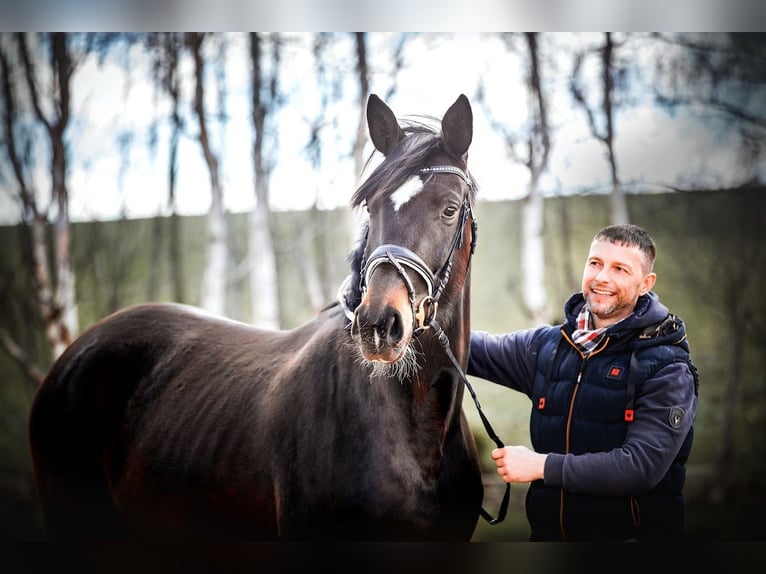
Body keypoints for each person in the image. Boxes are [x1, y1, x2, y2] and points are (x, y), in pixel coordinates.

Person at [468, 223, 699, 541]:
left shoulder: (667, 368)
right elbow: (470, 349)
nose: (602, 277)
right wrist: (407, 315)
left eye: (620, 269)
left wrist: (541, 466)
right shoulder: (548, 346)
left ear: (645, 283)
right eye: (595, 263)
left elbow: (640, 466)